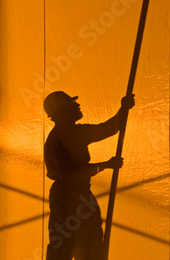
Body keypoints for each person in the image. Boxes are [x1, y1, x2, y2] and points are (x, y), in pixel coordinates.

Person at [43, 91, 135, 260]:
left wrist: (124, 108)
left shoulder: (75, 132)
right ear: (62, 111)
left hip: (80, 195)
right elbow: (71, 175)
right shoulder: (58, 139)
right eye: (72, 104)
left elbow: (109, 128)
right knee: (63, 245)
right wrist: (105, 165)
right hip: (66, 197)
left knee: (89, 245)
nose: (77, 105)